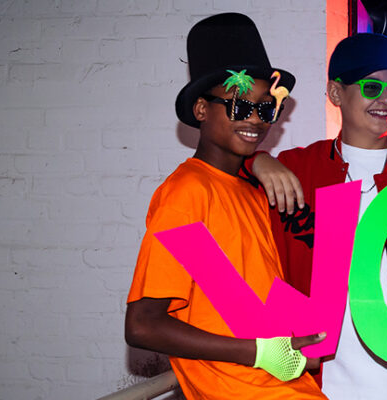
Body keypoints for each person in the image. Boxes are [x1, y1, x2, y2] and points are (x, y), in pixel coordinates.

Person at [245, 33, 387, 399]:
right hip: (322, 383)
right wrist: (256, 160)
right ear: (336, 93)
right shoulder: (298, 169)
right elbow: (227, 198)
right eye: (372, 87)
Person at [123, 13, 326, 399]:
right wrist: (258, 353)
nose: (256, 119)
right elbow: (143, 324)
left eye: (266, 108)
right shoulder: (186, 193)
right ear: (201, 110)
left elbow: (240, 298)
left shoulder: (250, 192)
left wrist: (301, 336)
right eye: (239, 106)